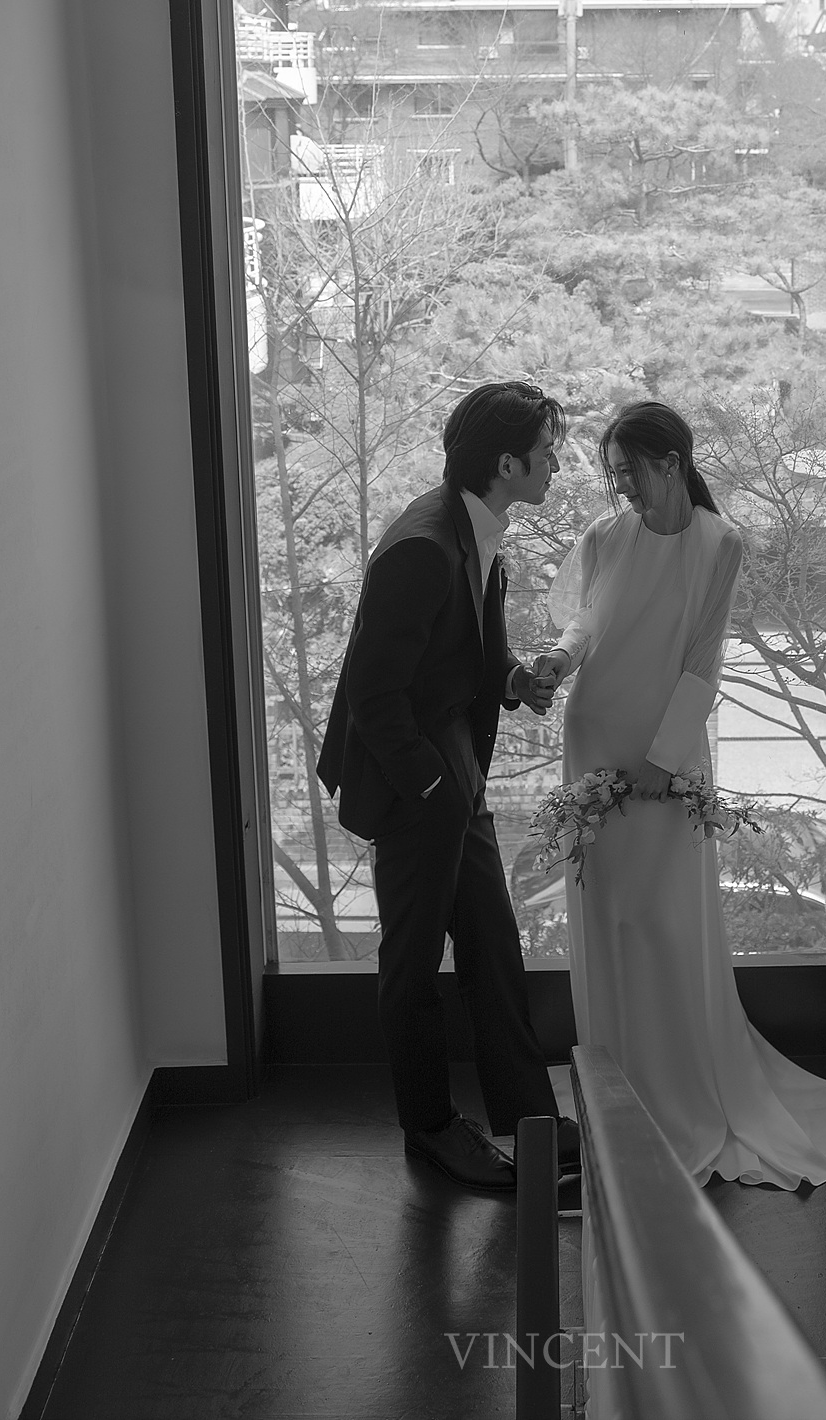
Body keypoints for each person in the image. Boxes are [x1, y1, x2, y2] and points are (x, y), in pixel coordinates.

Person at [532, 400, 826, 1189]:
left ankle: (679, 1086)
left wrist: (666, 757)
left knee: (666, 916)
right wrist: (557, 661)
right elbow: (585, 624)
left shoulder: (722, 543)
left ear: (671, 463)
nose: (622, 488)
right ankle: (613, 1084)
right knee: (608, 913)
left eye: (630, 472)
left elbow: (704, 659)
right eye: (615, 475)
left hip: (669, 749)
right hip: (595, 735)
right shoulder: (607, 536)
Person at [318, 381, 579, 1196]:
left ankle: (531, 1123)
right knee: (413, 963)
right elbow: (374, 695)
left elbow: (460, 653)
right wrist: (432, 786)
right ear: (506, 465)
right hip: (419, 787)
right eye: (547, 453)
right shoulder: (424, 547)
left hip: (454, 772)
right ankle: (430, 1128)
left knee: (493, 948)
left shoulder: (476, 528)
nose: (556, 464)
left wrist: (512, 680)